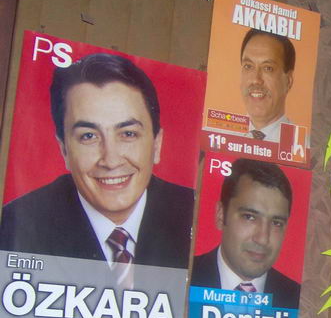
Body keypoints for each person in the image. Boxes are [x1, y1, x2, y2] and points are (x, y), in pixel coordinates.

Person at [0, 53, 193, 281]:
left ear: (157, 144)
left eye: (128, 134)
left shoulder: (191, 212)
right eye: (89, 136)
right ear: (64, 149)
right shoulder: (18, 223)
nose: (110, 160)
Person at [190, 158, 300, 309]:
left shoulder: (298, 299)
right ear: (221, 215)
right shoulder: (185, 278)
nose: (262, 239)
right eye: (249, 217)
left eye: (276, 223)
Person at [240, 28, 295, 141]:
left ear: (288, 81)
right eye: (248, 66)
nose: (256, 80)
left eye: (268, 68)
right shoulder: (214, 137)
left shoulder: (304, 147)